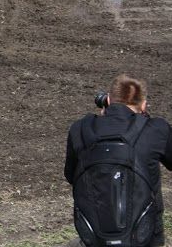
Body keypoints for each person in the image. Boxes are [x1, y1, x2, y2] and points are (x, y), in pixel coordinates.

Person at [65, 74, 172, 247]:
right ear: (143, 105)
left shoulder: (80, 129)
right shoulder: (157, 129)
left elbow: (70, 175)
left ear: (107, 100)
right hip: (144, 238)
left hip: (94, 237)